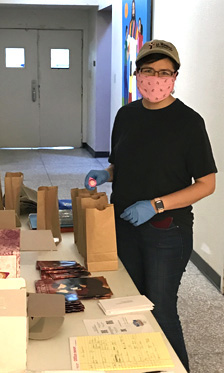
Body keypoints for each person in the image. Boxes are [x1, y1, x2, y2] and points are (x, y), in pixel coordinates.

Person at [84, 39, 217, 372]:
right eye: (148, 70)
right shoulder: (126, 115)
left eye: (164, 72)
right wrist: (105, 173)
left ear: (174, 77)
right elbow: (123, 164)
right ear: (137, 73)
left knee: (160, 308)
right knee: (131, 301)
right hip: (124, 224)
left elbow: (207, 183)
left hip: (166, 231)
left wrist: (157, 205)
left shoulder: (188, 122)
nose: (155, 78)